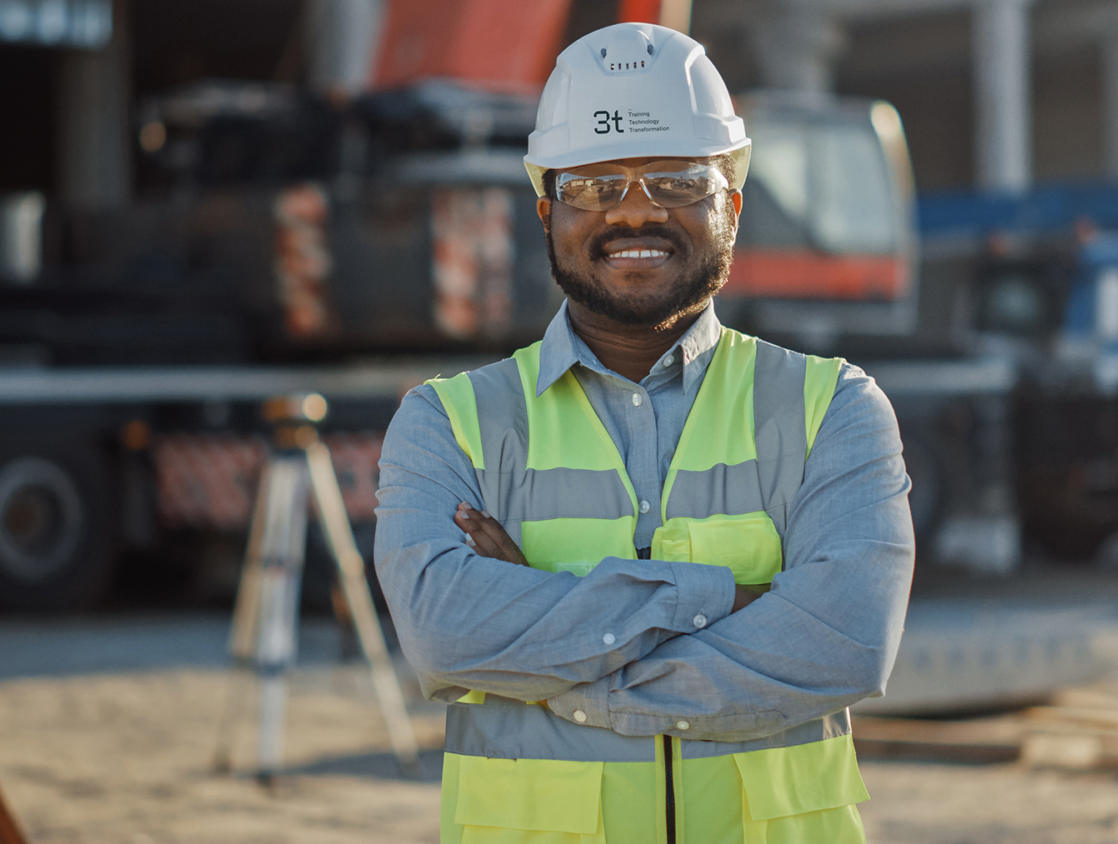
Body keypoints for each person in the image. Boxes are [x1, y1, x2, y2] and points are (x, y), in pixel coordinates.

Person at [373, 21, 914, 844]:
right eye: (595, 186)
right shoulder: (448, 424)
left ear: (729, 205)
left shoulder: (831, 408)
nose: (635, 211)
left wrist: (554, 664)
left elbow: (843, 642)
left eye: (673, 180)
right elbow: (447, 634)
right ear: (547, 208)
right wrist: (729, 599)